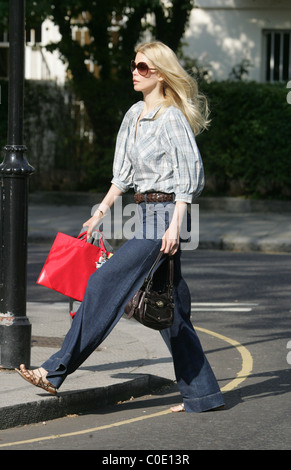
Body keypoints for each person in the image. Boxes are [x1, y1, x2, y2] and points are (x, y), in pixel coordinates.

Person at [16, 41, 224, 413]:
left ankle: (54, 370)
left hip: (164, 219)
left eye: (143, 67)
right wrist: (101, 211)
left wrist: (175, 227)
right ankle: (203, 394)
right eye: (134, 65)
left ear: (160, 74)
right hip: (144, 214)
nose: (135, 71)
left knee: (103, 283)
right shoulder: (133, 115)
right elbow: (123, 174)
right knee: (170, 309)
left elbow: (188, 179)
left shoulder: (172, 117)